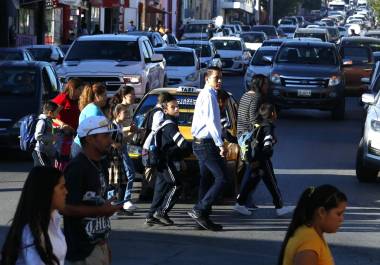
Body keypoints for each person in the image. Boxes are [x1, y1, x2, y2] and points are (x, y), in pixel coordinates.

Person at [62, 116, 121, 265]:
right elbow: (65, 208)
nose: (110, 140)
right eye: (105, 136)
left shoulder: (98, 164)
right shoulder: (77, 168)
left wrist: (104, 245)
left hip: (98, 246)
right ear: (89, 139)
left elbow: (92, 201)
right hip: (82, 252)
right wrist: (101, 210)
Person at [1, 166, 68, 265]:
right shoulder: (31, 233)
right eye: (61, 187)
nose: (66, 192)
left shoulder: (54, 217)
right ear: (46, 191)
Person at [236, 103, 293, 217]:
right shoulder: (268, 127)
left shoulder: (257, 124)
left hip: (253, 159)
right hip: (262, 160)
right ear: (272, 114)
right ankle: (279, 207)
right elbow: (267, 146)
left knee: (252, 182)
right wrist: (263, 157)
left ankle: (240, 203)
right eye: (275, 111)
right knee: (272, 182)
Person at [188, 67, 227, 231]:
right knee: (222, 178)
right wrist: (220, 145)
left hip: (203, 143)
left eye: (220, 78)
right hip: (205, 144)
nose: (219, 81)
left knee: (206, 179)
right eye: (216, 78)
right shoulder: (208, 95)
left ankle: (202, 217)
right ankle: (200, 209)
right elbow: (211, 122)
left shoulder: (210, 94)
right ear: (206, 79)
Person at [145, 94, 192, 226]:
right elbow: (183, 144)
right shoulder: (170, 125)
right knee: (177, 185)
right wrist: (187, 151)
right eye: (173, 107)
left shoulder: (165, 123)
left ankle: (150, 215)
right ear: (165, 110)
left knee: (160, 188)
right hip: (166, 161)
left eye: (177, 107)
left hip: (160, 160)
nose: (177, 109)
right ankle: (161, 212)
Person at [278, 185, 347, 265]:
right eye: (338, 214)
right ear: (321, 212)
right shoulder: (309, 245)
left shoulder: (308, 233)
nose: (342, 219)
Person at [233, 75, 267, 215]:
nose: (267, 87)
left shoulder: (246, 95)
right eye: (266, 84)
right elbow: (253, 118)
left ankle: (246, 199)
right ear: (260, 84)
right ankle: (243, 200)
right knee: (252, 170)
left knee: (252, 169)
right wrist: (265, 127)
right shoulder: (256, 97)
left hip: (242, 136)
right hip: (249, 137)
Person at [139, 92, 172, 201]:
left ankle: (146, 193)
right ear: (165, 103)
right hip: (152, 145)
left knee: (149, 169)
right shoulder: (159, 113)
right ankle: (146, 194)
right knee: (150, 169)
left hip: (147, 144)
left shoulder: (151, 111)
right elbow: (157, 129)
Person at [71, 83, 108, 158]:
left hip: (84, 148)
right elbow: (94, 132)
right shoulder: (94, 110)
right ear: (97, 96)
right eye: (104, 95)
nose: (107, 97)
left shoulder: (93, 108)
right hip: (84, 149)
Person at [32, 101, 59, 167]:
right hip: (39, 152)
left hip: (46, 152)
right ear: (50, 112)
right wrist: (51, 138)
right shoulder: (42, 121)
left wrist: (58, 130)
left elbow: (48, 132)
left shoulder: (49, 121)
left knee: (46, 171)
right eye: (57, 112)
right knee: (44, 169)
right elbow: (37, 136)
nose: (58, 114)